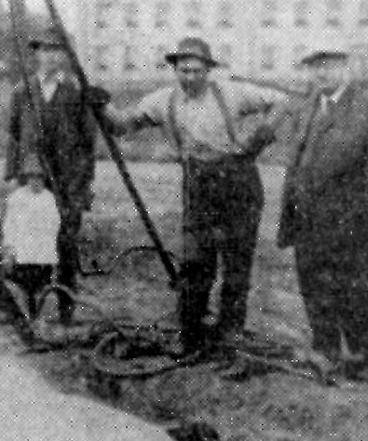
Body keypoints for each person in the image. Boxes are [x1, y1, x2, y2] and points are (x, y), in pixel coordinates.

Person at [104, 36, 273, 350]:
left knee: (236, 265)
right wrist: (102, 106)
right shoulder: (161, 101)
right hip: (197, 185)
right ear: (175, 70)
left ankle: (229, 333)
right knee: (195, 261)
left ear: (208, 70)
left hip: (239, 183)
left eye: (197, 71)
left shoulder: (232, 93)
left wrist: (259, 137)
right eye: (184, 71)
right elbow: (123, 125)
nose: (190, 77)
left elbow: (282, 102)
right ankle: (191, 334)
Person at [275, 49, 368, 381]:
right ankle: (326, 352)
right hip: (305, 216)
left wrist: (362, 205)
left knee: (353, 287)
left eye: (329, 66)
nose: (321, 73)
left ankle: (364, 362)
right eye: (315, 67)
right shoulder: (308, 107)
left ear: (346, 67)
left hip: (349, 220)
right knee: (313, 283)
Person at [3, 24, 96, 326]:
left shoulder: (76, 92)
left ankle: (66, 309)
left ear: (65, 56)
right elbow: (14, 135)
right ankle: (33, 306)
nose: (51, 56)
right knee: (33, 242)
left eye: (57, 50)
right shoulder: (22, 91)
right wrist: (14, 176)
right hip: (34, 178)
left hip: (68, 180)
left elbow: (88, 142)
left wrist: (83, 185)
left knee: (66, 242)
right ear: (37, 54)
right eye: (46, 50)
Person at [2, 156, 61, 319]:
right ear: (27, 178)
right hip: (24, 252)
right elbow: (10, 225)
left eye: (39, 178)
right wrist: (10, 249)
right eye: (32, 177)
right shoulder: (17, 198)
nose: (36, 182)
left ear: (44, 179)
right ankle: (26, 314)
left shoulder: (48, 198)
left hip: (42, 253)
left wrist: (48, 245)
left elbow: (54, 225)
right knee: (24, 286)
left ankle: (38, 315)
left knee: (41, 286)